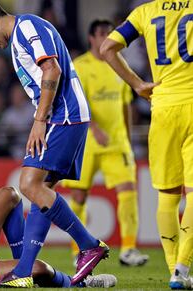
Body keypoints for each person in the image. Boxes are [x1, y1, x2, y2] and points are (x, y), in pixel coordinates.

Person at [0, 1, 108, 287]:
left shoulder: (27, 27)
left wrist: (40, 119)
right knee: (40, 191)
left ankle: (89, 244)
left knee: (29, 183)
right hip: (63, 115)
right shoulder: (22, 35)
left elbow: (52, 69)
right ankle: (24, 270)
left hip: (63, 115)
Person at [100, 1, 193, 289]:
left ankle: (173, 270)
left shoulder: (145, 12)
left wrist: (137, 84)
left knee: (167, 196)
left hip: (163, 107)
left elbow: (106, 48)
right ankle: (182, 268)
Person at [62, 19, 149, 267]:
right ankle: (78, 249)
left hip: (117, 143)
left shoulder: (119, 64)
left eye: (109, 33)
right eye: (102, 33)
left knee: (128, 192)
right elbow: (78, 103)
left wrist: (128, 141)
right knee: (78, 196)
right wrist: (95, 129)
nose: (106, 38)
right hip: (86, 142)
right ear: (91, 38)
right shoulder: (79, 66)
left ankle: (129, 249)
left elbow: (125, 106)